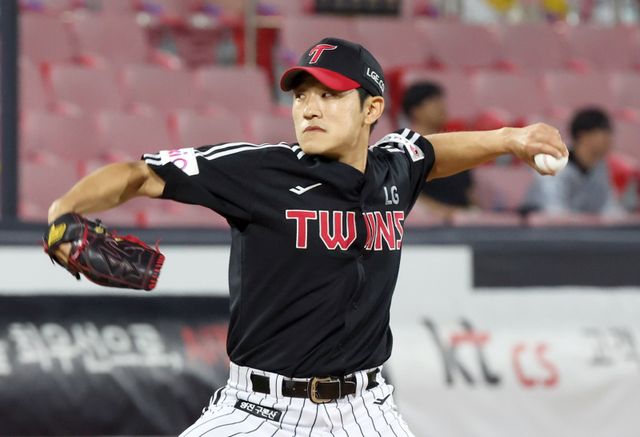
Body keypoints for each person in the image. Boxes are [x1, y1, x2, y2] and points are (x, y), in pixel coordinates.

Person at [47, 37, 566, 436]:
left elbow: (431, 153)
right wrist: (64, 210)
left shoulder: (394, 169)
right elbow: (139, 174)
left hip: (365, 411)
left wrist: (509, 138)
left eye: (329, 95)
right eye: (301, 96)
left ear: (371, 109)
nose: (309, 108)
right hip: (257, 411)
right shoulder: (260, 172)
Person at [522, 107, 624, 217]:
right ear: (583, 136)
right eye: (604, 133)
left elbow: (609, 207)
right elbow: (555, 213)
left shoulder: (600, 167)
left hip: (576, 225)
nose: (609, 139)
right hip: (537, 225)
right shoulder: (552, 165)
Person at [402, 81, 475, 220]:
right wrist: (444, 213)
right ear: (415, 110)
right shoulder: (404, 148)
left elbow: (468, 191)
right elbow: (403, 193)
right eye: (433, 101)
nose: (442, 106)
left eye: (441, 100)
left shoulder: (456, 146)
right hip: (428, 222)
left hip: (463, 219)